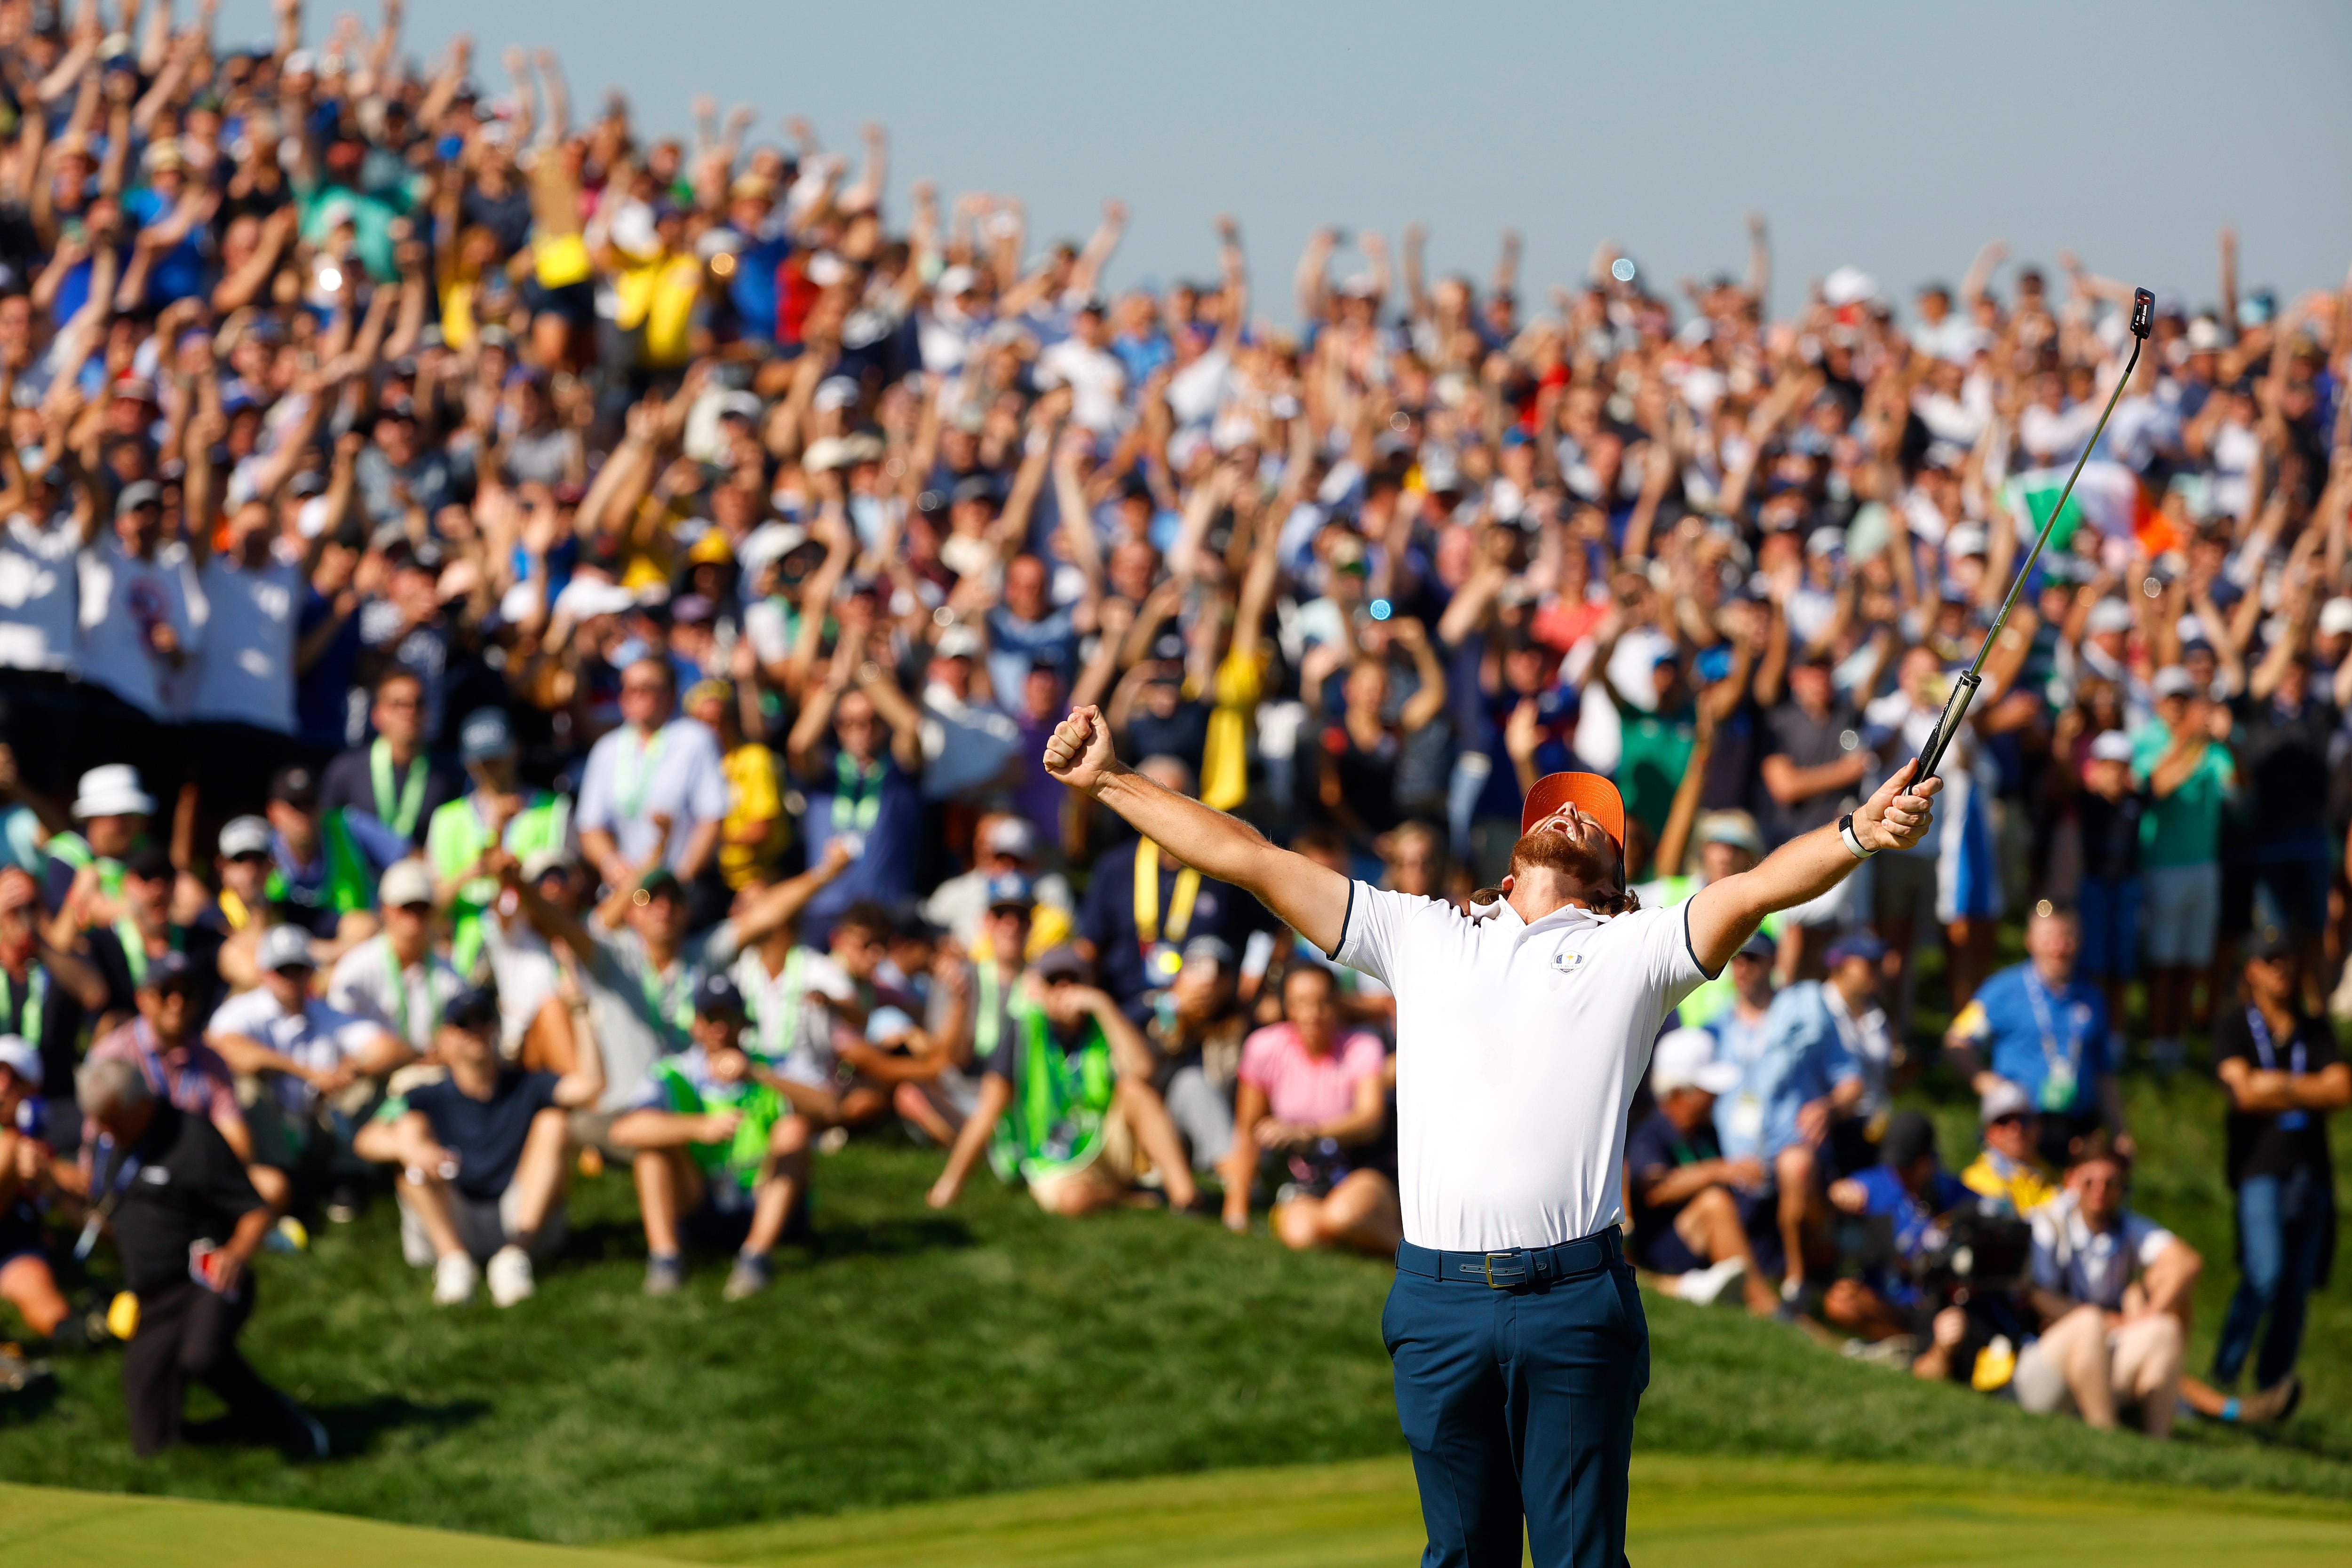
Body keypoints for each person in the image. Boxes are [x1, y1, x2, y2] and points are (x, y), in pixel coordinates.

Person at [1028, 699, 1939, 1567]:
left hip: (1574, 1298)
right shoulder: (1421, 931)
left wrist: (1859, 831)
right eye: (1556, 812)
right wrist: (1108, 778)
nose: (1573, 819)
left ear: (1615, 887)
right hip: (1438, 1300)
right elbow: (1249, 858)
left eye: (1595, 824)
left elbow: (1755, 888)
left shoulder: (1637, 949)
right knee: (1461, 1556)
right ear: (1510, 862)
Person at [77, 1057, 326, 1458]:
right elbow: (110, 1226)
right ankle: (242, 1429)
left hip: (205, 1280)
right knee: (152, 1445)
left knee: (203, 1355)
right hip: (151, 1300)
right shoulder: (112, 1145)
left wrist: (236, 1253)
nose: (104, 1131)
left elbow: (254, 1209)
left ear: (139, 1106)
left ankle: (286, 1423)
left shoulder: (192, 1139)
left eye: (111, 1120)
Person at [353, 986, 605, 1307]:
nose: (475, 1032)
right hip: (452, 1211)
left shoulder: (528, 1084)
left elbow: (592, 1086)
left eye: (483, 1019)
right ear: (445, 1037)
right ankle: (454, 1261)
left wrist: (580, 1011)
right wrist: (410, 1150)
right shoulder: (425, 1095)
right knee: (407, 1131)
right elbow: (366, 1140)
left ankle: (515, 1256)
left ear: (496, 1028)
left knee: (554, 1123)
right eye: (463, 1024)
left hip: (520, 1214)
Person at [925, 944, 1209, 1216]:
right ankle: (1125, 1196)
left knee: (1136, 1091)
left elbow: (1143, 1070)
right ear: (1040, 989)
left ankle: (1187, 1199)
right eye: (1054, 982)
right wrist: (950, 1184)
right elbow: (988, 1109)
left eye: (1073, 981)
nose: (1064, 991)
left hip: (1104, 1142)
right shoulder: (1023, 1030)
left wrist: (1103, 1006)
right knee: (1074, 1202)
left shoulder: (1104, 1021)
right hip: (1050, 1156)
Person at [613, 974, 834, 1299]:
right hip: (701, 1199)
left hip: (765, 1194)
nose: (720, 1028)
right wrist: (698, 1127)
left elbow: (832, 1108)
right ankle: (666, 1260)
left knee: (794, 1130)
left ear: (744, 1022)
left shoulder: (774, 1065)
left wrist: (756, 1074)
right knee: (652, 1152)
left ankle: (755, 1259)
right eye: (711, 1018)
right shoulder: (672, 1072)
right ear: (697, 1026)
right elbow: (624, 1131)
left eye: (728, 1017)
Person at [2209, 924, 2346, 1402]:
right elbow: (2241, 1093)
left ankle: (2272, 1389)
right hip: (2258, 1169)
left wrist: (2276, 1086)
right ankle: (2222, 1376)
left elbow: (2342, 1089)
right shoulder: (2232, 1025)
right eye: (2270, 960)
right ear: (2250, 969)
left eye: (2286, 958)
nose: (2281, 968)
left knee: (2295, 1289)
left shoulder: (2314, 1029)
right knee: (2263, 1272)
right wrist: (2304, 1088)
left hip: (2311, 1171)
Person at [204, 924, 412, 1222]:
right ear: (264, 973)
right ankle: (283, 1177)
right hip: (272, 1125)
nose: (290, 978)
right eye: (282, 970)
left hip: (317, 1123)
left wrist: (352, 1070)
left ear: (310, 972)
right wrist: (307, 1073)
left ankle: (347, 1174)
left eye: (297, 969)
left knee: (371, 1085)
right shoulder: (244, 1010)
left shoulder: (326, 1013)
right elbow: (222, 1047)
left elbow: (393, 1049)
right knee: (243, 1088)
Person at [2016, 1134, 2201, 1439]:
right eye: (2090, 1182)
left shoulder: (2125, 1226)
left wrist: (2147, 1316)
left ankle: (2158, 1444)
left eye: (2111, 1183)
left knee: (2164, 1329)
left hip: (2102, 1352)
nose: (2100, 1192)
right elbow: (2037, 1296)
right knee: (2089, 1323)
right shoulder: (2048, 1223)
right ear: (2072, 1180)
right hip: (2044, 1359)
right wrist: (2108, 1321)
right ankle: (2106, 1436)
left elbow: (2188, 1263)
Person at [1219, 962, 1399, 1257]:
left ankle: (1414, 1254)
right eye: (1300, 1003)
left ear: (1337, 1003)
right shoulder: (1263, 1047)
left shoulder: (1362, 1046)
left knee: (1343, 1216)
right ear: (1285, 1006)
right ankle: (1354, 1232)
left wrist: (1310, 1133)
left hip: (1364, 1166)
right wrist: (1236, 1211)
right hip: (1306, 1177)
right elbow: (1247, 1128)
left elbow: (1371, 1120)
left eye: (1322, 1003)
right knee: (1301, 1235)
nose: (1311, 1015)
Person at [1945, 902, 2127, 1167]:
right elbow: (1956, 1040)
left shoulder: (2092, 997)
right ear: (2030, 940)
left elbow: (2104, 1073)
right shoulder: (2002, 991)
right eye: (2050, 938)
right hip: (2022, 1128)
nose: (2059, 948)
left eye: (2067, 938)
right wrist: (1985, 1082)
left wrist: (2120, 1130)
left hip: (2079, 1131)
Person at [1622, 1028, 1778, 1314]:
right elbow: (1656, 1190)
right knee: (1713, 1203)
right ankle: (1766, 1306)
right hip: (1661, 1247)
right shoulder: (1651, 1135)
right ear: (1680, 1093)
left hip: (1698, 1243)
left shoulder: (1704, 1132)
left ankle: (1772, 1289)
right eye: (1708, 1091)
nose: (1716, 1098)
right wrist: (1719, 1171)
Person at [2132, 671, 2233, 1073]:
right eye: (2172, 699)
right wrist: (2190, 738)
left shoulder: (2209, 745)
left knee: (2191, 959)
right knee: (2163, 960)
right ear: (2158, 702)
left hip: (2204, 864)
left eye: (2184, 699)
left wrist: (2226, 740)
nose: (2178, 707)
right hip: (2162, 864)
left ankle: (2178, 1040)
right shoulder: (2146, 739)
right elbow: (2156, 786)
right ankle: (2158, 1040)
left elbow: (2237, 785)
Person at [424, 707, 571, 978]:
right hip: (466, 960)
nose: (491, 767)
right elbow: (431, 905)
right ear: (468, 762)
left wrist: (511, 879)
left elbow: (564, 897)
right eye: (482, 760)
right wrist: (474, 871)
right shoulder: (446, 819)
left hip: (535, 954)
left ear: (516, 750)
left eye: (497, 757)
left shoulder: (555, 811)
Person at [1820, 1111, 1977, 1346]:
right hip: (1888, 1298)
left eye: (1907, 1164)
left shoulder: (1950, 1192)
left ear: (1927, 1161)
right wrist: (1840, 1193)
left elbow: (1991, 1210)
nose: (1900, 1172)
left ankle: (1922, 1351)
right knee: (1840, 1300)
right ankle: (1904, 1345)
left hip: (1935, 1303)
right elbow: (1843, 1190)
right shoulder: (1879, 1182)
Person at [575, 657, 729, 897]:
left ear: (669, 695)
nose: (633, 695)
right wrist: (614, 866)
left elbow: (712, 818)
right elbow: (590, 826)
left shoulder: (696, 740)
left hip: (682, 892)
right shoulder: (607, 749)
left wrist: (679, 883)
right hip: (627, 894)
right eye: (627, 688)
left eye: (645, 688)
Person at [327, 859, 466, 1058]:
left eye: (422, 908)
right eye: (406, 908)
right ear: (385, 910)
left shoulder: (448, 971)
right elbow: (340, 1030)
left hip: (433, 1071)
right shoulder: (357, 967)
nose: (414, 918)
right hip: (373, 1075)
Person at [315, 670, 460, 853]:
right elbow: (323, 831)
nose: (410, 712)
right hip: (358, 875)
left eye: (418, 703)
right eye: (398, 705)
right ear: (377, 715)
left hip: (420, 874)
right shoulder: (346, 770)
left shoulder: (448, 774)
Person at [1958, 1080, 2062, 1216]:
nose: (2016, 1129)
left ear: (2038, 1126)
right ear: (1988, 1132)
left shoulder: (2055, 1176)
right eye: (2004, 1121)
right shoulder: (1973, 1184)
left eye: (2023, 1119)